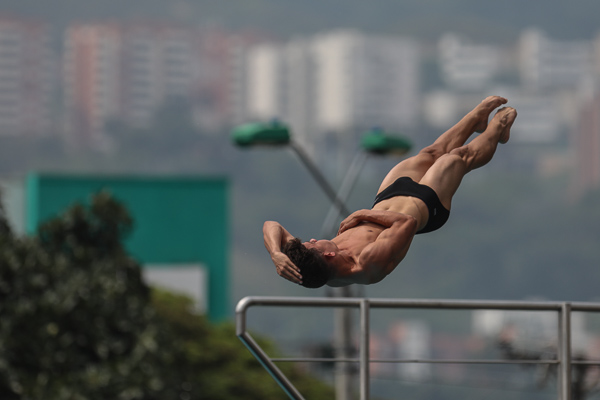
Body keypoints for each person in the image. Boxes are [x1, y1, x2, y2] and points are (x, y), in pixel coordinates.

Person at [263, 96, 517, 288]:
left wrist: (276, 253)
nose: (314, 240)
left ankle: (476, 118)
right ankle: (498, 127)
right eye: (314, 244)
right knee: (457, 158)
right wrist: (363, 214)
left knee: (430, 154)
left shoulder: (312, 260)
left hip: (386, 199)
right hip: (426, 207)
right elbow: (407, 223)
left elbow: (271, 224)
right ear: (329, 255)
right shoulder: (367, 264)